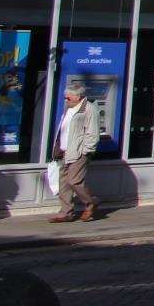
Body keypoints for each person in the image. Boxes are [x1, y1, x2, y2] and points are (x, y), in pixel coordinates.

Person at [48, 84, 101, 224]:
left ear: (79, 96)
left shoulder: (89, 109)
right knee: (63, 183)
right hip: (64, 151)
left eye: (68, 97)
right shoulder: (69, 107)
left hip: (78, 152)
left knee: (74, 180)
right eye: (65, 97)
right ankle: (66, 212)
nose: (66, 100)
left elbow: (93, 133)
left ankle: (91, 202)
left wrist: (86, 150)